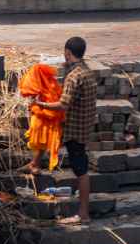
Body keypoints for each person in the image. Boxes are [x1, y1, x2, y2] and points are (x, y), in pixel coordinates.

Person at [33, 36, 96, 223]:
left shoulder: (74, 76)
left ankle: (83, 213)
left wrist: (40, 103)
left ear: (68, 53)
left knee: (81, 171)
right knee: (47, 131)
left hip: (75, 131)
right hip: (84, 127)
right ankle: (35, 163)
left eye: (65, 53)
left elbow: (63, 105)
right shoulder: (87, 72)